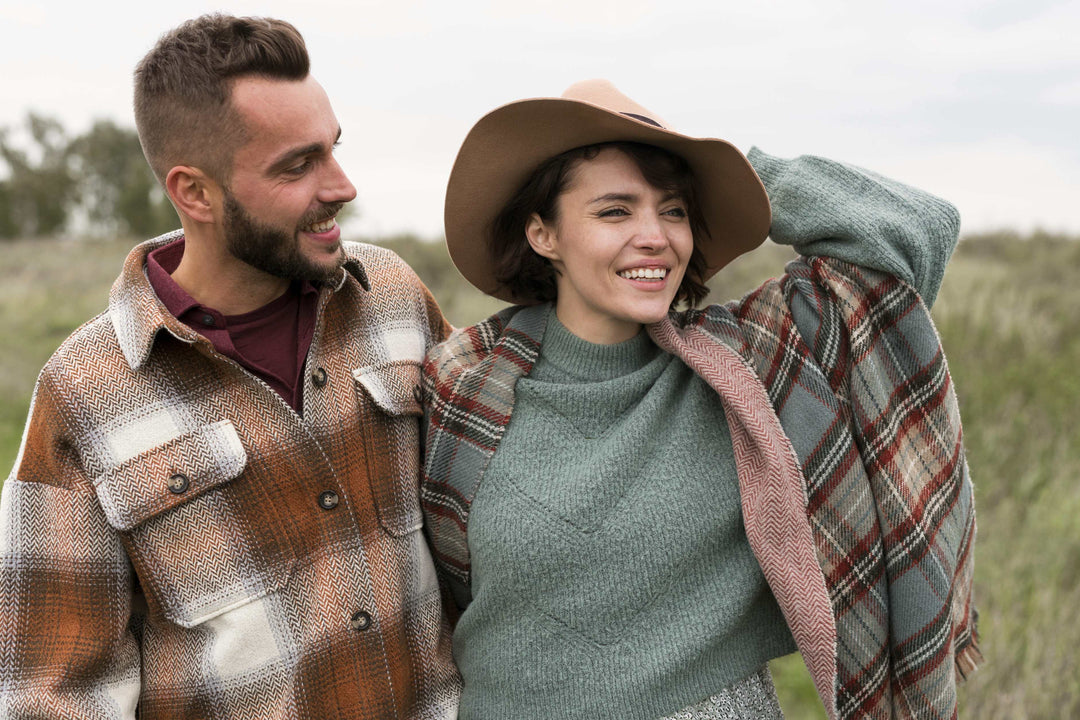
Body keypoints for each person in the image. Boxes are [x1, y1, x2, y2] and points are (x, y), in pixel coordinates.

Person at [421, 80, 981, 719]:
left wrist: (739, 172)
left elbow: (918, 227)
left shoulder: (746, 364)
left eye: (675, 209)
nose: (656, 237)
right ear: (544, 234)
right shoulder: (462, 385)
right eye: (614, 211)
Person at [0, 14, 459, 719]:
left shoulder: (394, 299)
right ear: (195, 193)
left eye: (333, 150)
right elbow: (53, 693)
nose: (341, 186)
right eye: (297, 165)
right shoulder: (84, 392)